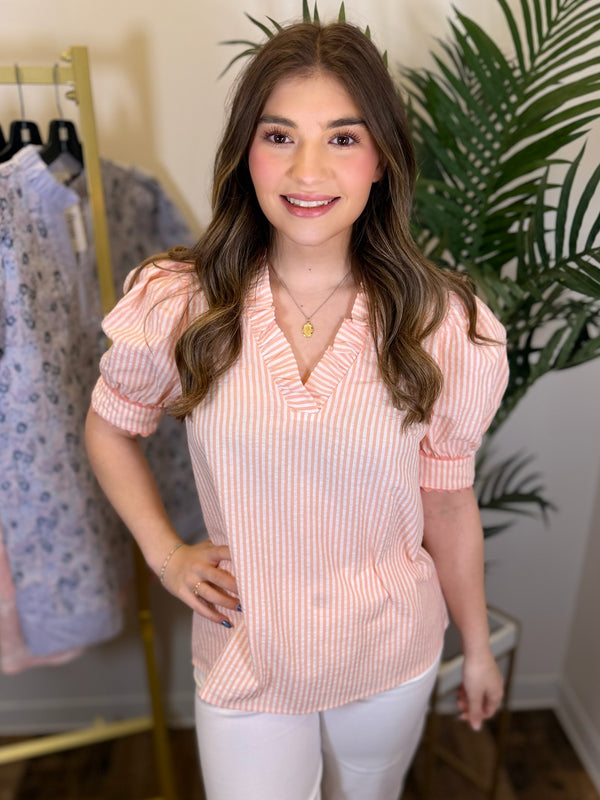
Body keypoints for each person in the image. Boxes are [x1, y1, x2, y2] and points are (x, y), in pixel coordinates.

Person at [85, 19, 509, 800]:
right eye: (280, 135)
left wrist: (476, 647)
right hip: (247, 649)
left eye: (343, 138)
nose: (307, 169)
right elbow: (109, 427)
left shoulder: (444, 324)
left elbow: (447, 501)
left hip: (389, 655)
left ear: (381, 159)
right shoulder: (181, 302)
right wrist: (166, 553)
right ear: (247, 152)